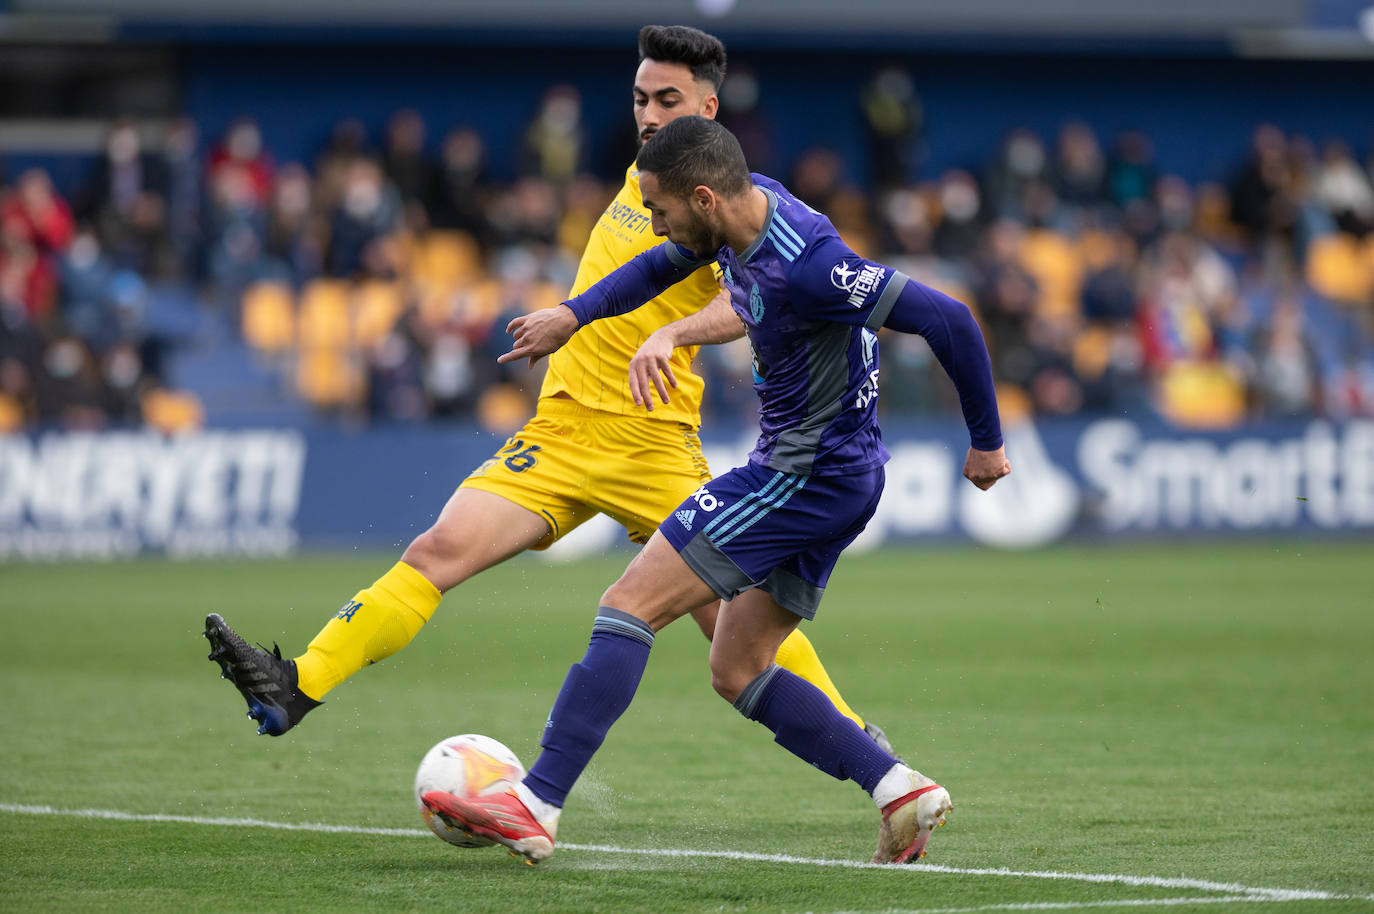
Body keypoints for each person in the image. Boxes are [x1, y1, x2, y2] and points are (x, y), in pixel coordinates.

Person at [204, 26, 892, 759]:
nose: (648, 114)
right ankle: (297, 684)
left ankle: (863, 745)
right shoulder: (640, 182)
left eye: (667, 100)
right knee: (438, 550)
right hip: (560, 433)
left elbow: (756, 299)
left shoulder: (725, 201)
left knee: (733, 625)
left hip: (650, 443)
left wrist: (676, 334)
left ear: (709, 108)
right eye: (640, 99)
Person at [420, 115, 1010, 866]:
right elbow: (659, 267)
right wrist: (575, 314)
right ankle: (898, 789)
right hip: (839, 473)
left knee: (629, 604)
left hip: (802, 474)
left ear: (703, 198)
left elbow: (949, 317)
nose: (656, 224)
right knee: (737, 668)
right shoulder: (742, 206)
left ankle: (535, 802)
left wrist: (986, 441)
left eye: (661, 209)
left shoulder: (813, 269)